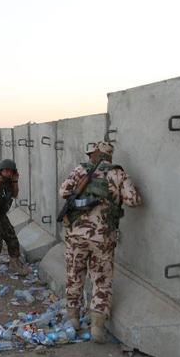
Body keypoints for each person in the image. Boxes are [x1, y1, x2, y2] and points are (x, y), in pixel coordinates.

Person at [58, 141, 142, 343]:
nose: (90, 157)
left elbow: (63, 192)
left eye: (91, 154)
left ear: (96, 154)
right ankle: (97, 326)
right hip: (103, 237)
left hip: (76, 235)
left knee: (74, 274)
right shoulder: (118, 174)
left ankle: (73, 318)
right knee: (101, 279)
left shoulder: (80, 170)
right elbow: (134, 200)